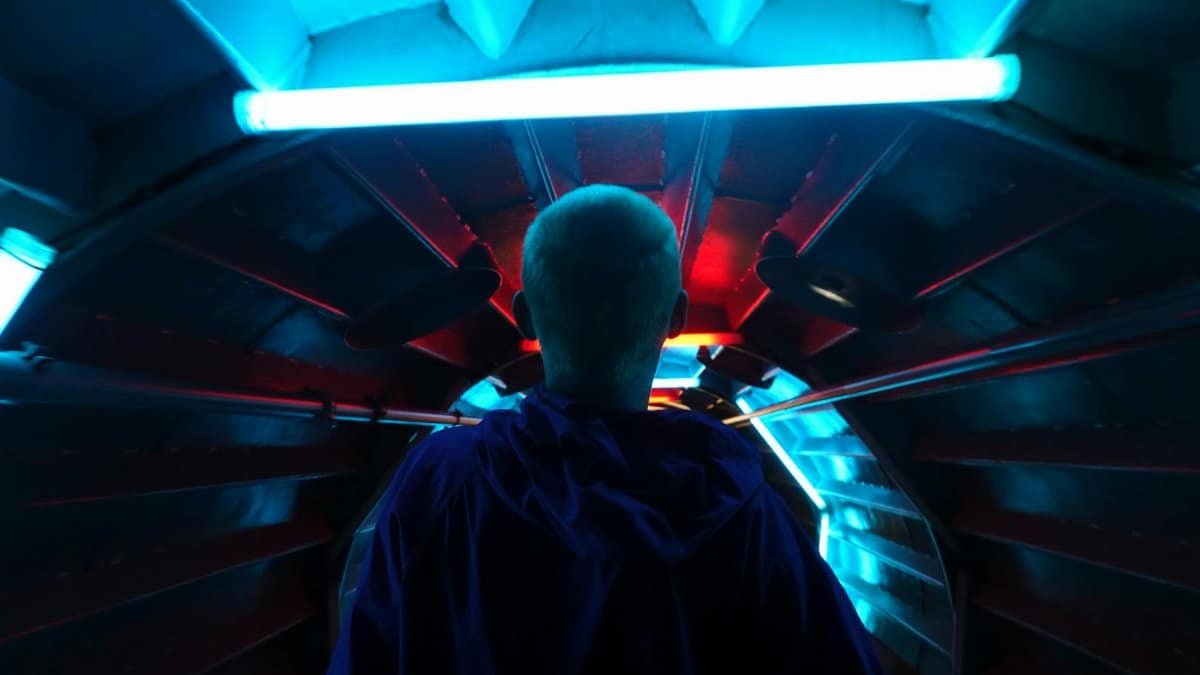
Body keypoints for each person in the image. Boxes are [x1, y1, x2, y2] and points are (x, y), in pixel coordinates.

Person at [327, 185, 882, 674]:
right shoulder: (741, 509)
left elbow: (372, 653)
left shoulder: (442, 477)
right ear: (677, 318)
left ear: (524, 316)